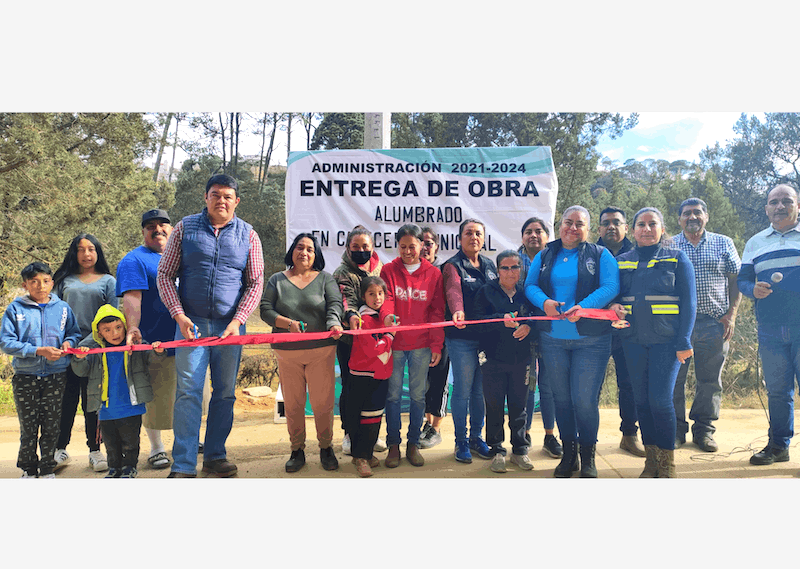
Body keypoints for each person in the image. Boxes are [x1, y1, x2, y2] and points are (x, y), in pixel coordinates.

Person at [157, 174, 264, 478]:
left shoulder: (249, 235)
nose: (221, 200)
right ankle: (184, 464)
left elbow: (255, 282)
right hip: (191, 325)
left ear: (236, 201)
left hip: (231, 328)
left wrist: (238, 320)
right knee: (188, 393)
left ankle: (215, 456)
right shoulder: (184, 228)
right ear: (205, 198)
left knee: (225, 393)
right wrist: (178, 314)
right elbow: (165, 274)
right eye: (215, 194)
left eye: (228, 196)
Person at [525, 206, 619, 478]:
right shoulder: (545, 254)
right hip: (553, 339)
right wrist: (544, 302)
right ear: (560, 224)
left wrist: (583, 307)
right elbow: (530, 286)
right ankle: (569, 456)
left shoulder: (601, 255)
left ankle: (588, 458)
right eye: (568, 222)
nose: (572, 228)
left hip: (591, 340)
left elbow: (611, 287)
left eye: (579, 224)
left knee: (584, 401)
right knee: (562, 401)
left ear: (587, 229)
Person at [610, 208, 696, 478]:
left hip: (667, 344)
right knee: (642, 402)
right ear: (633, 230)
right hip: (632, 341)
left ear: (662, 228)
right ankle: (651, 461)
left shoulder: (677, 259)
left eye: (652, 224)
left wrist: (684, 340)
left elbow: (689, 303)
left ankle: (667, 463)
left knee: (660, 401)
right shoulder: (621, 260)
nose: (646, 229)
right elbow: (614, 295)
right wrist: (614, 305)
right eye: (641, 225)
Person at [260, 233, 344, 473]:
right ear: (292, 251)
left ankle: (326, 448)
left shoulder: (325, 279)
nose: (304, 253)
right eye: (299, 247)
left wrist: (333, 324)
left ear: (315, 255)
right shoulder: (277, 279)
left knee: (322, 403)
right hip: (287, 352)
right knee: (294, 404)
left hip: (321, 351)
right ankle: (297, 450)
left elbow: (334, 305)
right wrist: (287, 324)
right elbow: (265, 309)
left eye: (309, 249)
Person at [672, 198, 741, 452]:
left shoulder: (724, 243)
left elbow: (736, 280)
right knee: (674, 380)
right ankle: (677, 430)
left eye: (697, 212)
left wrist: (731, 314)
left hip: (714, 324)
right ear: (679, 219)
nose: (692, 217)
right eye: (686, 213)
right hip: (678, 327)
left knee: (710, 381)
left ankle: (704, 432)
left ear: (706, 216)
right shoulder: (669, 245)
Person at [0, 262, 82, 478]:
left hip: (56, 375)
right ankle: (28, 469)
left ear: (52, 283)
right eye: (34, 282)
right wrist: (37, 351)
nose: (40, 286)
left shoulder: (63, 308)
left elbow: (73, 333)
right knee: (28, 426)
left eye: (45, 281)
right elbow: (6, 342)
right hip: (25, 377)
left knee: (52, 425)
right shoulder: (15, 309)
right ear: (25, 284)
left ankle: (47, 468)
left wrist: (69, 344)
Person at [738, 184, 800, 467]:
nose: (780, 206)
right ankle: (778, 447)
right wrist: (753, 290)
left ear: (797, 206)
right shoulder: (755, 242)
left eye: (786, 201)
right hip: (771, 329)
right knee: (777, 391)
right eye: (774, 202)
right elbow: (742, 280)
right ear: (766, 209)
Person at [71, 305, 166, 478]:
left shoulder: (136, 347)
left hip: (131, 405)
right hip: (106, 408)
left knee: (130, 442)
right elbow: (81, 371)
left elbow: (151, 359)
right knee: (111, 443)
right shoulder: (95, 352)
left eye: (118, 327)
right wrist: (79, 358)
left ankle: (129, 468)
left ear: (124, 326)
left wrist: (158, 351)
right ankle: (114, 468)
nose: (115, 333)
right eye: (107, 330)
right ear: (99, 333)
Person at [116, 209, 178, 470]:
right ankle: (156, 447)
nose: (158, 230)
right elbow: (132, 298)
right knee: (153, 397)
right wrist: (132, 328)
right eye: (151, 226)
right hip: (153, 341)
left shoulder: (182, 258)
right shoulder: (134, 260)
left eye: (163, 225)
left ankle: (186, 439)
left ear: (172, 229)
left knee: (186, 394)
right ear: (143, 232)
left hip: (185, 340)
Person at [379, 223, 445, 467]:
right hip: (394, 345)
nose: (407, 251)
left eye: (412, 246)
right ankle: (393, 444)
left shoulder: (434, 274)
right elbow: (385, 299)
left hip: (422, 345)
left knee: (418, 397)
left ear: (422, 246)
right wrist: (387, 318)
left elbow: (438, 311)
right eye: (403, 246)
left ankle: (413, 443)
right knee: (393, 396)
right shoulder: (388, 270)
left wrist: (436, 344)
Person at [52, 233, 117, 473]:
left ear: (98, 252)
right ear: (74, 253)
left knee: (93, 402)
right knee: (66, 401)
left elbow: (112, 317)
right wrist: (65, 343)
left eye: (91, 249)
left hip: (96, 352)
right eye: (81, 249)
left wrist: (89, 344)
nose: (86, 254)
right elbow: (53, 313)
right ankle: (59, 449)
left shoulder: (109, 281)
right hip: (66, 351)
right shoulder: (63, 280)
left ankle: (95, 451)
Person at [475, 250, 535, 473]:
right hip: (492, 358)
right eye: (505, 267)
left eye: (515, 267)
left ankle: (520, 451)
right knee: (494, 405)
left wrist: (529, 326)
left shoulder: (527, 293)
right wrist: (500, 320)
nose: (511, 272)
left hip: (521, 359)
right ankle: (497, 451)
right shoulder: (485, 292)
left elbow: (537, 318)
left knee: (519, 406)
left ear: (521, 269)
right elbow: (477, 322)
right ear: (497, 270)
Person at [443, 218, 497, 463]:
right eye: (468, 233)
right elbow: (453, 290)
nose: (474, 237)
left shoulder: (490, 265)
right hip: (461, 338)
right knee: (463, 390)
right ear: (460, 238)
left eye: (478, 233)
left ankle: (477, 438)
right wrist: (457, 310)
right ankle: (461, 441)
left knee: (480, 391)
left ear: (484, 238)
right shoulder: (452, 266)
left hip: (486, 340)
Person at [331, 225, 385, 456]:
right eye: (356, 247)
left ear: (372, 248)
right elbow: (346, 299)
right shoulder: (342, 272)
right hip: (351, 344)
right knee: (351, 389)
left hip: (375, 342)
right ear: (348, 248)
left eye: (365, 246)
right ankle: (349, 434)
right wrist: (352, 315)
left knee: (373, 388)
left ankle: (371, 434)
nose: (361, 250)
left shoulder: (380, 269)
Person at [597, 206, 645, 457]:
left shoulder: (638, 252)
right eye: (606, 223)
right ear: (599, 228)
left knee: (629, 384)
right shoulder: (589, 253)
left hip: (629, 330)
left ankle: (629, 435)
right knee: (591, 385)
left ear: (627, 228)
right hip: (595, 329)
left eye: (617, 222)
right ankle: (587, 439)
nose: (611, 227)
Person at [518, 217, 562, 458]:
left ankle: (549, 435)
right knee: (525, 386)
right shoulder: (513, 261)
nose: (533, 235)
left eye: (538, 231)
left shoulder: (556, 260)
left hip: (551, 331)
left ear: (547, 235)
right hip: (523, 330)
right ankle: (523, 435)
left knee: (548, 385)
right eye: (528, 231)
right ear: (522, 237)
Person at [346, 276, 395, 477]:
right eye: (371, 294)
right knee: (360, 416)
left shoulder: (382, 316)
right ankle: (360, 457)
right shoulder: (362, 320)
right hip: (362, 376)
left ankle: (366, 453)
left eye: (380, 293)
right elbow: (373, 349)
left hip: (380, 375)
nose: (377, 298)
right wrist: (390, 335)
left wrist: (389, 330)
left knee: (374, 416)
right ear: (362, 296)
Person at [418, 226, 450, 449]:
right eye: (420, 242)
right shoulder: (410, 271)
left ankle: (435, 428)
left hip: (441, 335)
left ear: (436, 247)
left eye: (428, 242)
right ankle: (426, 425)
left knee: (438, 380)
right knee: (421, 383)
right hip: (416, 337)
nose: (424, 247)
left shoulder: (445, 270)